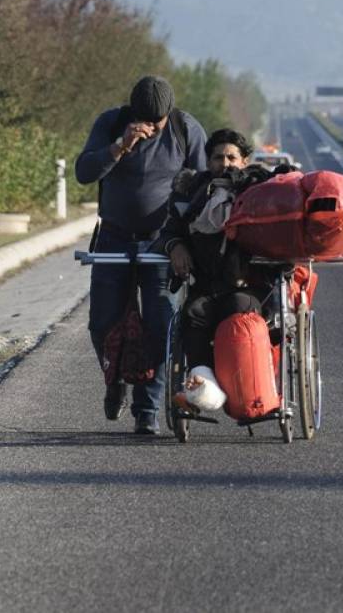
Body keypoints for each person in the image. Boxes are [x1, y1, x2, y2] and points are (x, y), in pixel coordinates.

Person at [75, 75, 207, 435]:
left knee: (160, 325)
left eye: (157, 121)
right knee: (101, 322)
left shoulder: (185, 128)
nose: (152, 127)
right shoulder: (111, 124)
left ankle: (146, 410)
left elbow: (204, 186)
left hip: (162, 242)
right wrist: (120, 147)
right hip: (114, 237)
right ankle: (115, 377)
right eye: (145, 121)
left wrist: (185, 240)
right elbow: (83, 172)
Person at [154, 128, 279, 374]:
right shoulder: (190, 194)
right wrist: (175, 246)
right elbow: (168, 231)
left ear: (244, 161)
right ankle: (203, 381)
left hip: (250, 288)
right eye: (218, 158)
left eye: (231, 158)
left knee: (236, 308)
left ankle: (244, 380)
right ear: (208, 162)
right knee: (193, 313)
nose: (225, 164)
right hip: (207, 286)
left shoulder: (262, 193)